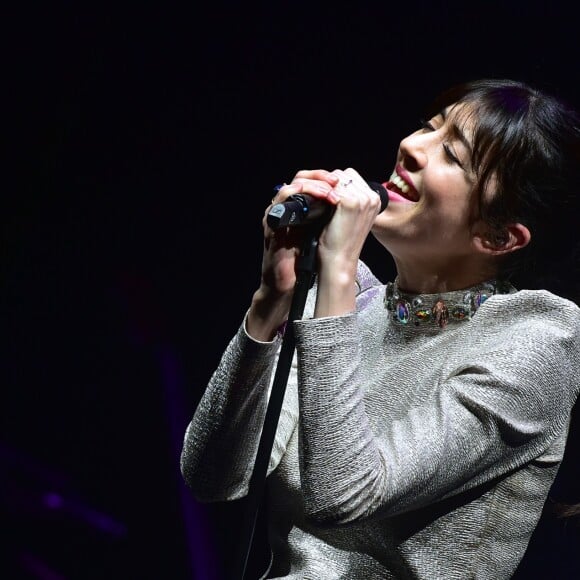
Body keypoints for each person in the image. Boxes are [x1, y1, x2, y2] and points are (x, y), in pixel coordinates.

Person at [180, 78, 580, 579]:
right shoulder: (355, 306)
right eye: (427, 129)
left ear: (498, 236)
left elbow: (344, 493)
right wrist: (272, 301)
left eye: (452, 155)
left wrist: (338, 271)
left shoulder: (534, 341)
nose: (411, 148)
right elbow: (212, 477)